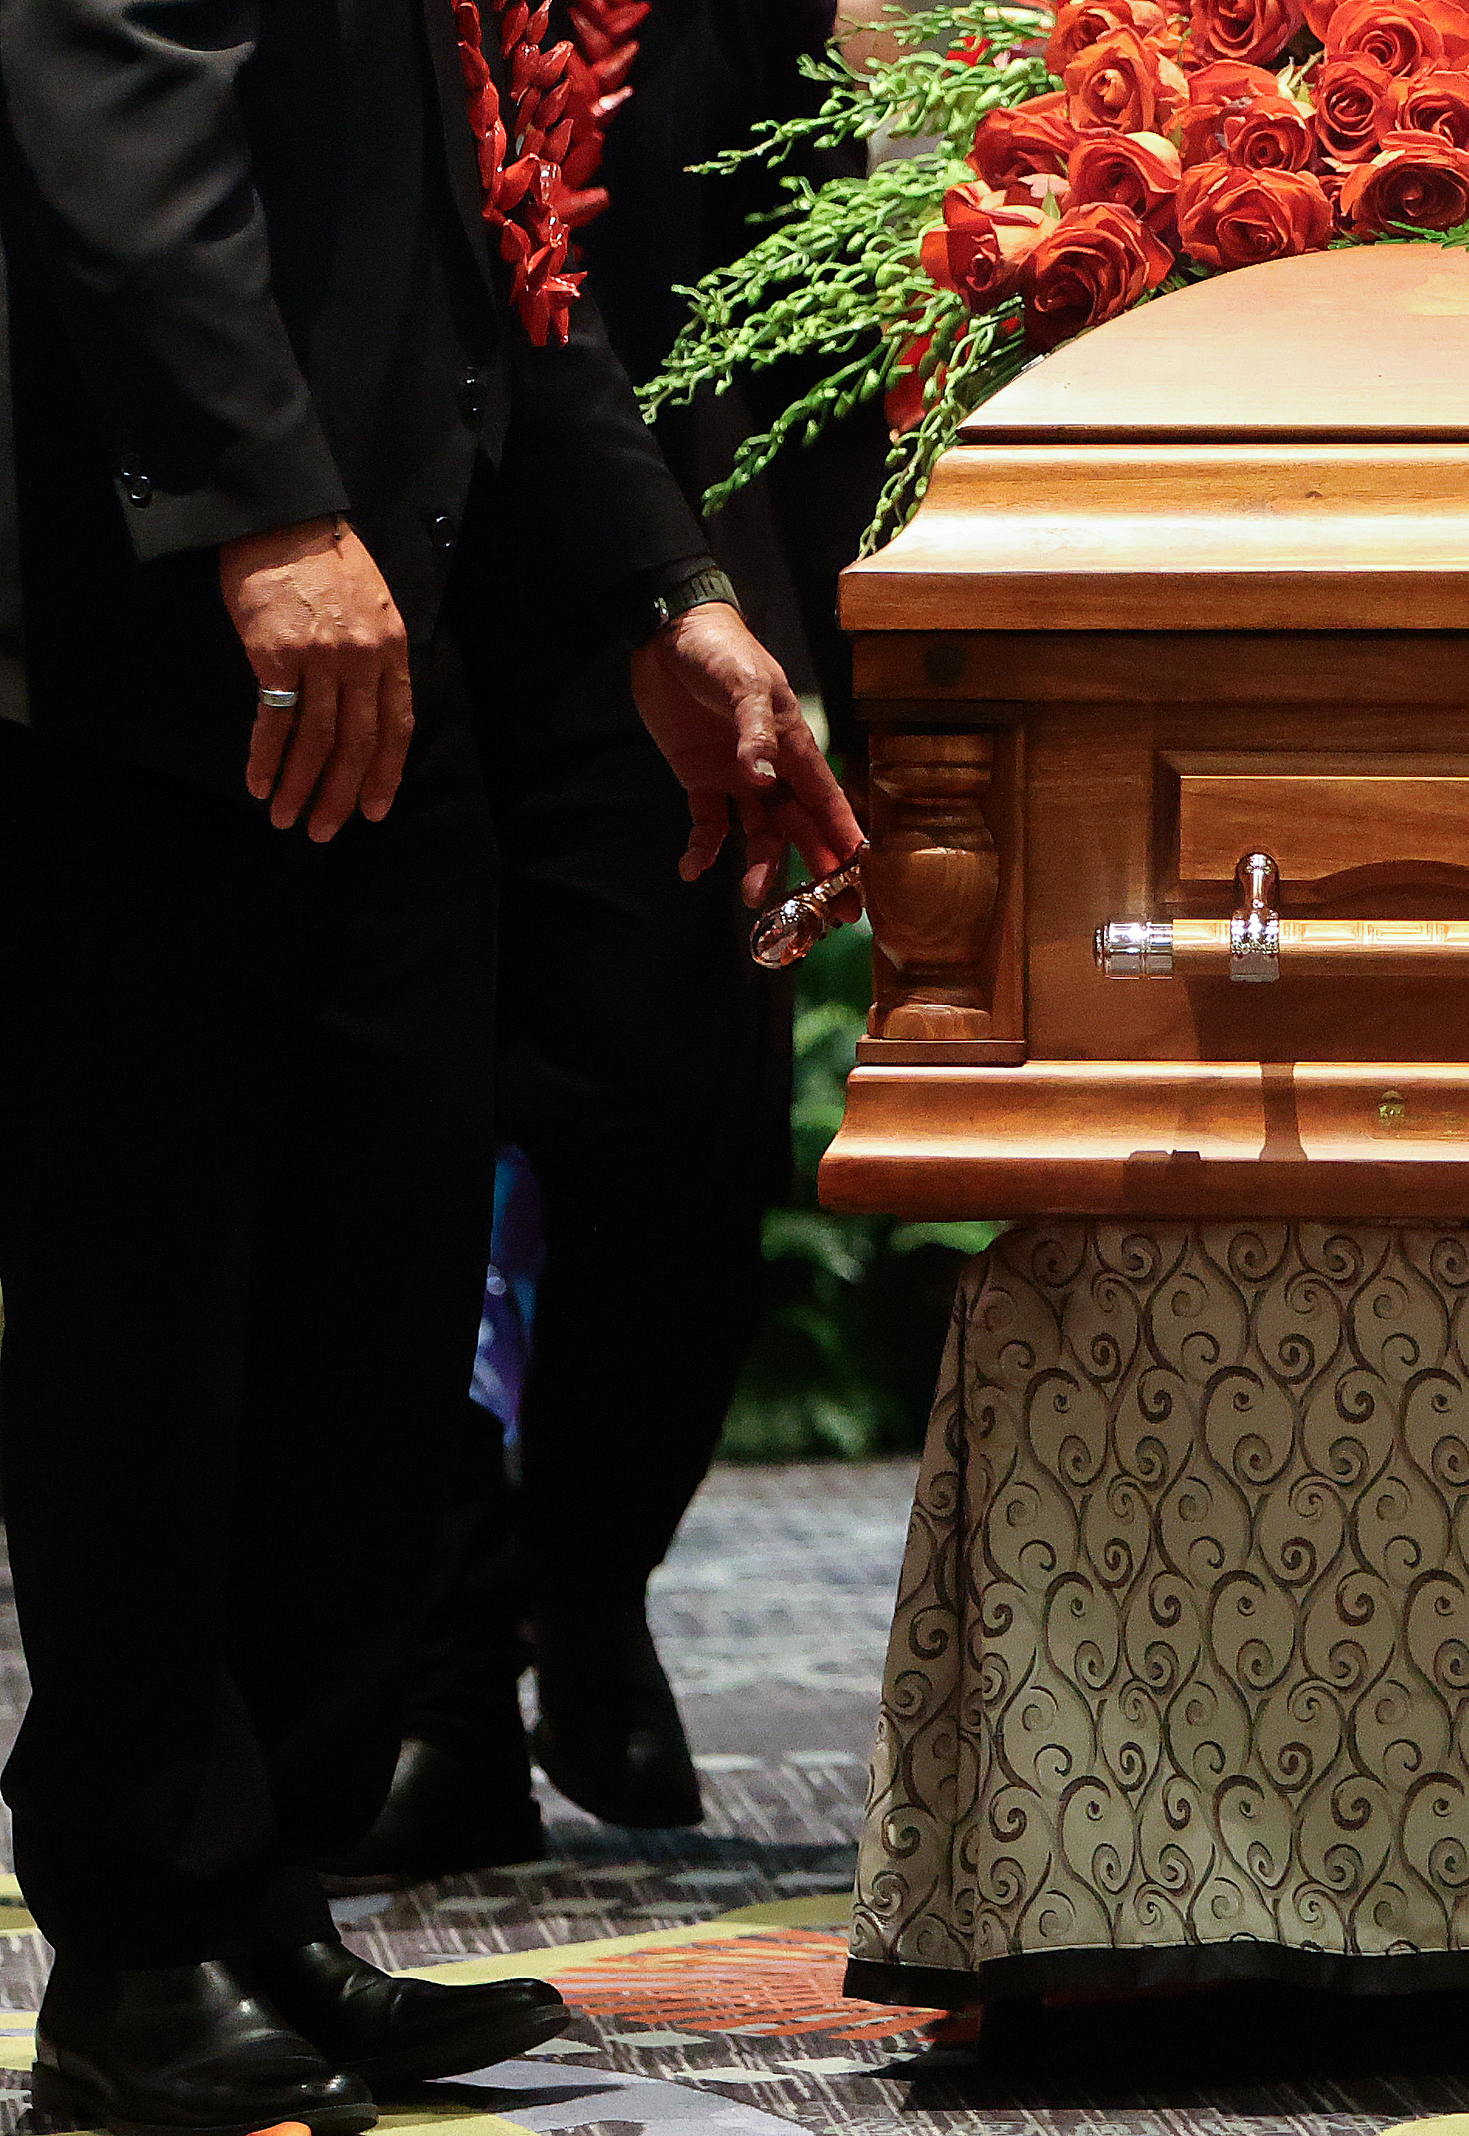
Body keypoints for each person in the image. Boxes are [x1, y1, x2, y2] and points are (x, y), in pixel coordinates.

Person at [0, 0, 863, 2122]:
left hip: (410, 592)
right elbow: (108, 94)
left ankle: (263, 1887)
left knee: (366, 1293)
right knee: (161, 1294)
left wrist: (663, 589)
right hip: (180, 619)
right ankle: (132, 1945)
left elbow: (503, 239)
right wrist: (262, 512)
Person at [330, 0, 888, 1888]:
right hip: (374, 549)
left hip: (673, 551)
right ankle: (443, 1681)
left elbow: (792, 264)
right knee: (374, 1138)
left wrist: (823, 631)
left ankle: (590, 1578)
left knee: (674, 1131)